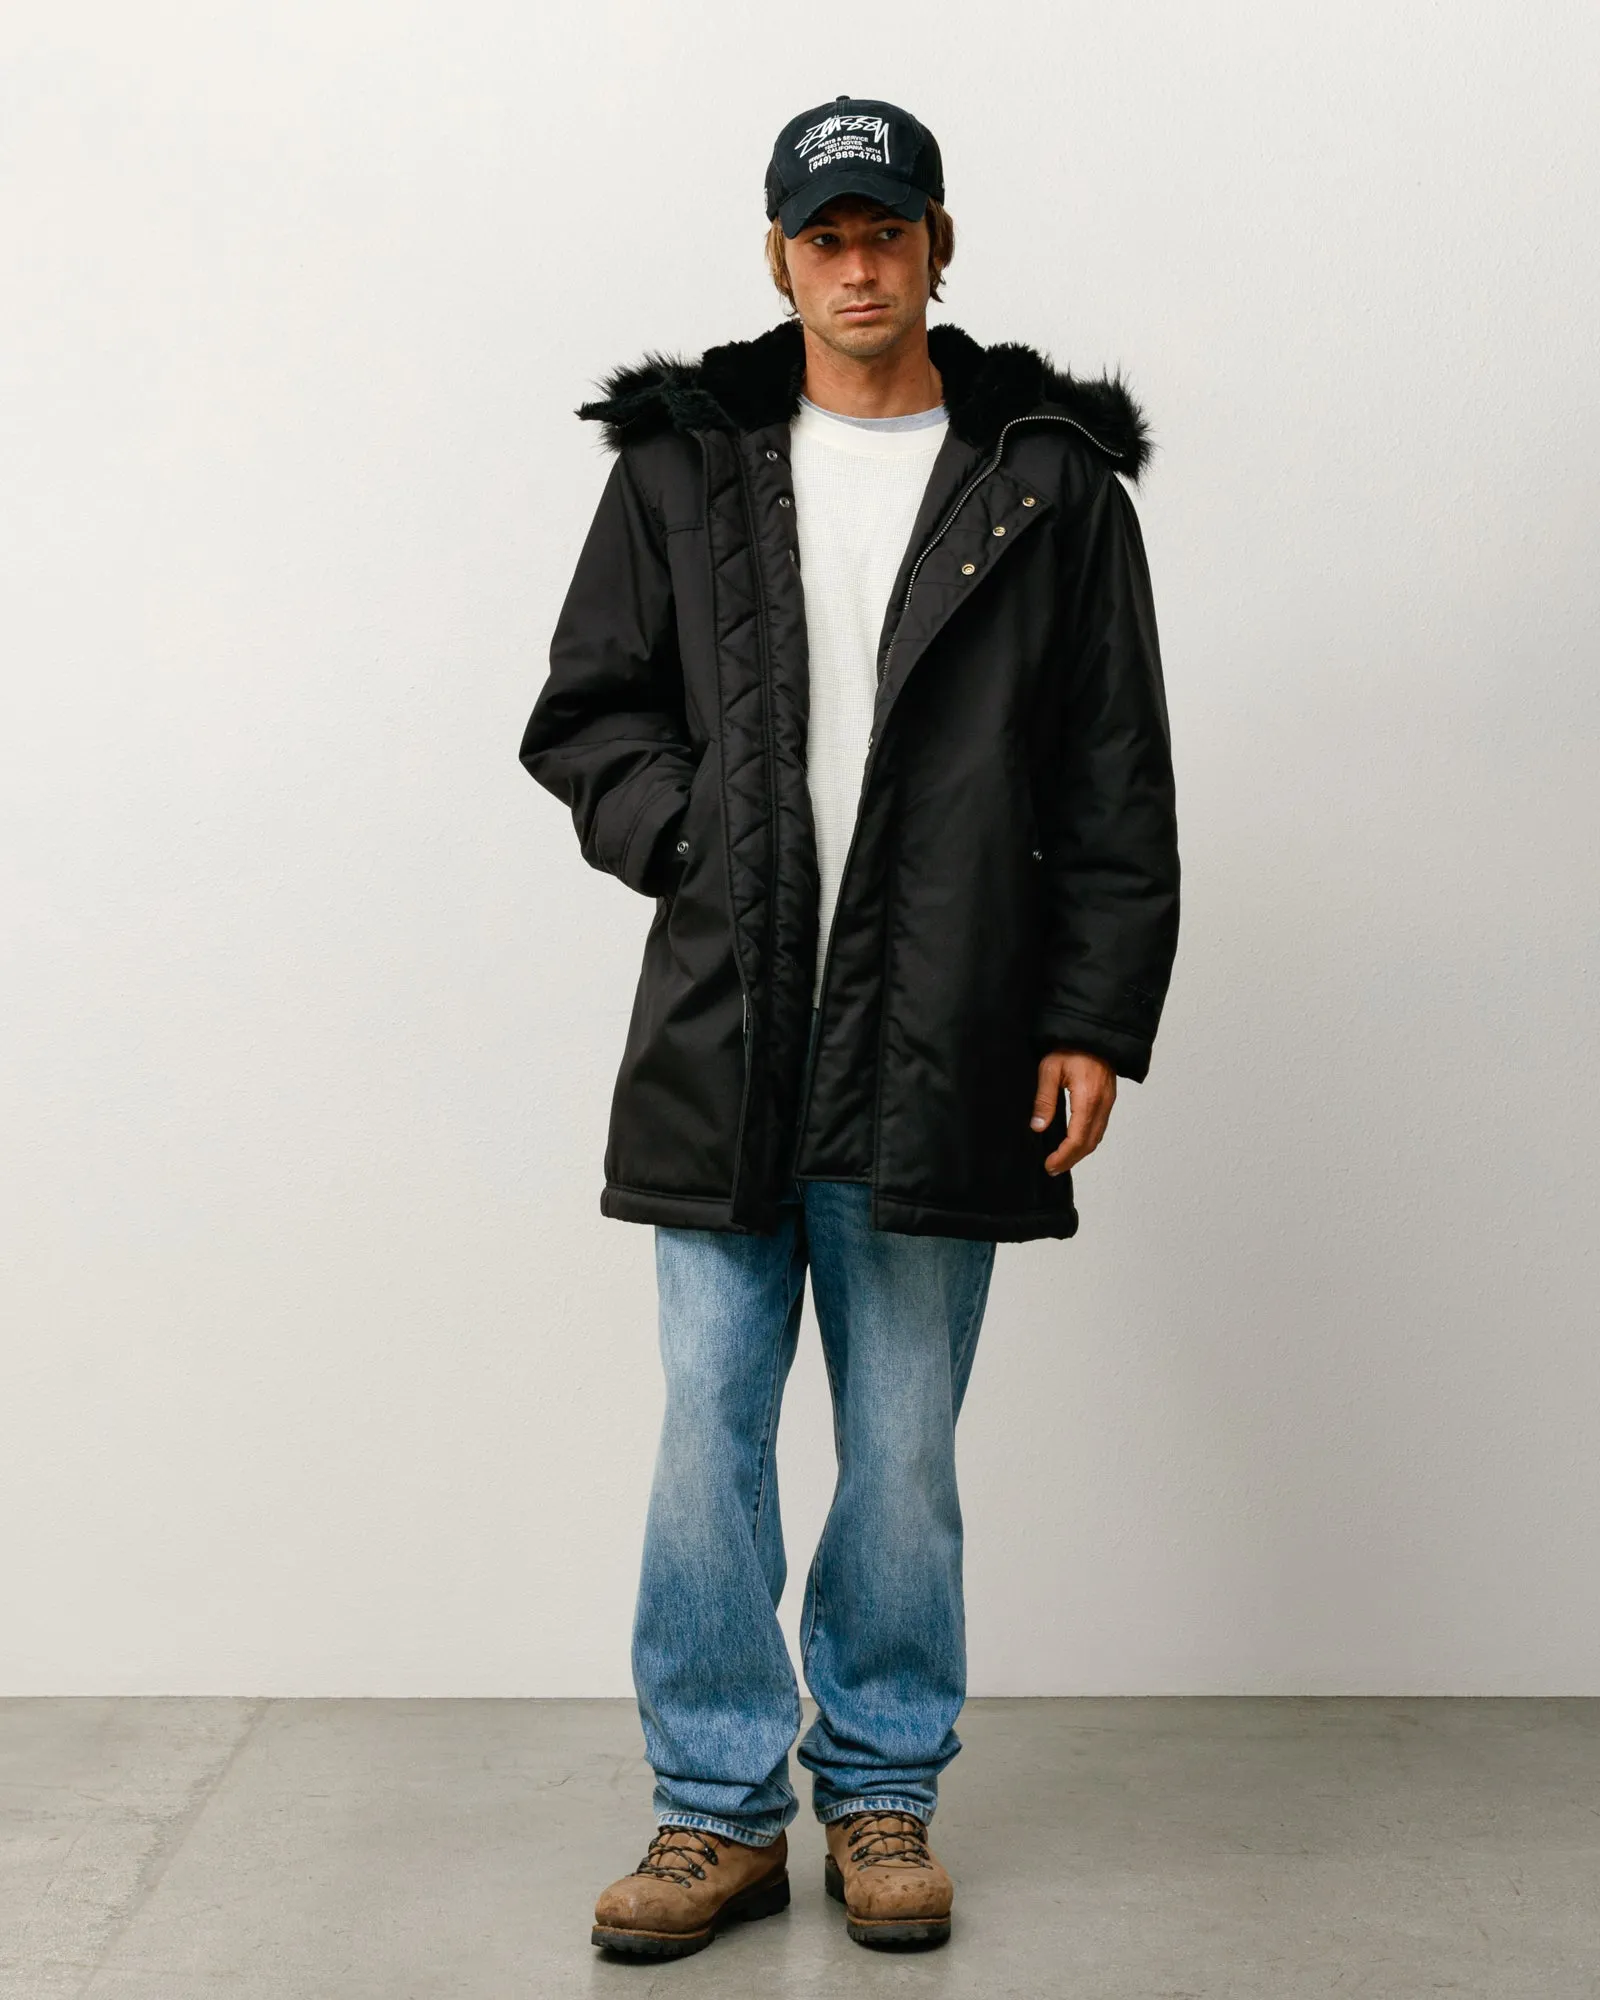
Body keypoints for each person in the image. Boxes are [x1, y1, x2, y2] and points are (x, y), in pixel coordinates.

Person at [518, 92, 1180, 1959]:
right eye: (827, 237)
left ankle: (882, 1795)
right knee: (706, 1435)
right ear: (779, 258)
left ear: (940, 246)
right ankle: (712, 1813)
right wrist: (698, 841)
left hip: (947, 1039)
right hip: (730, 1032)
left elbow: (1116, 774)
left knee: (901, 1452)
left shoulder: (1050, 484)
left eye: (890, 231)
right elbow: (587, 715)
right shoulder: (682, 468)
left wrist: (1093, 1020)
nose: (860, 264)